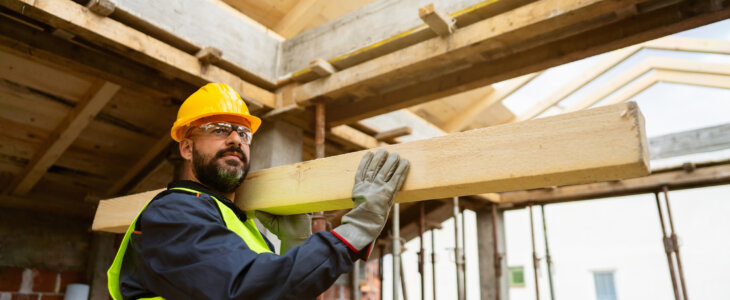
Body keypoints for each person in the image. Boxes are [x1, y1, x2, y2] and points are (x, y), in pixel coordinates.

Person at [106, 83, 410, 300]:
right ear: (187, 147)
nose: (236, 139)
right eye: (219, 129)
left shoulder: (238, 225)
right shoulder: (174, 213)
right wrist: (357, 230)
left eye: (243, 132)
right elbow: (247, 289)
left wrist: (293, 246)